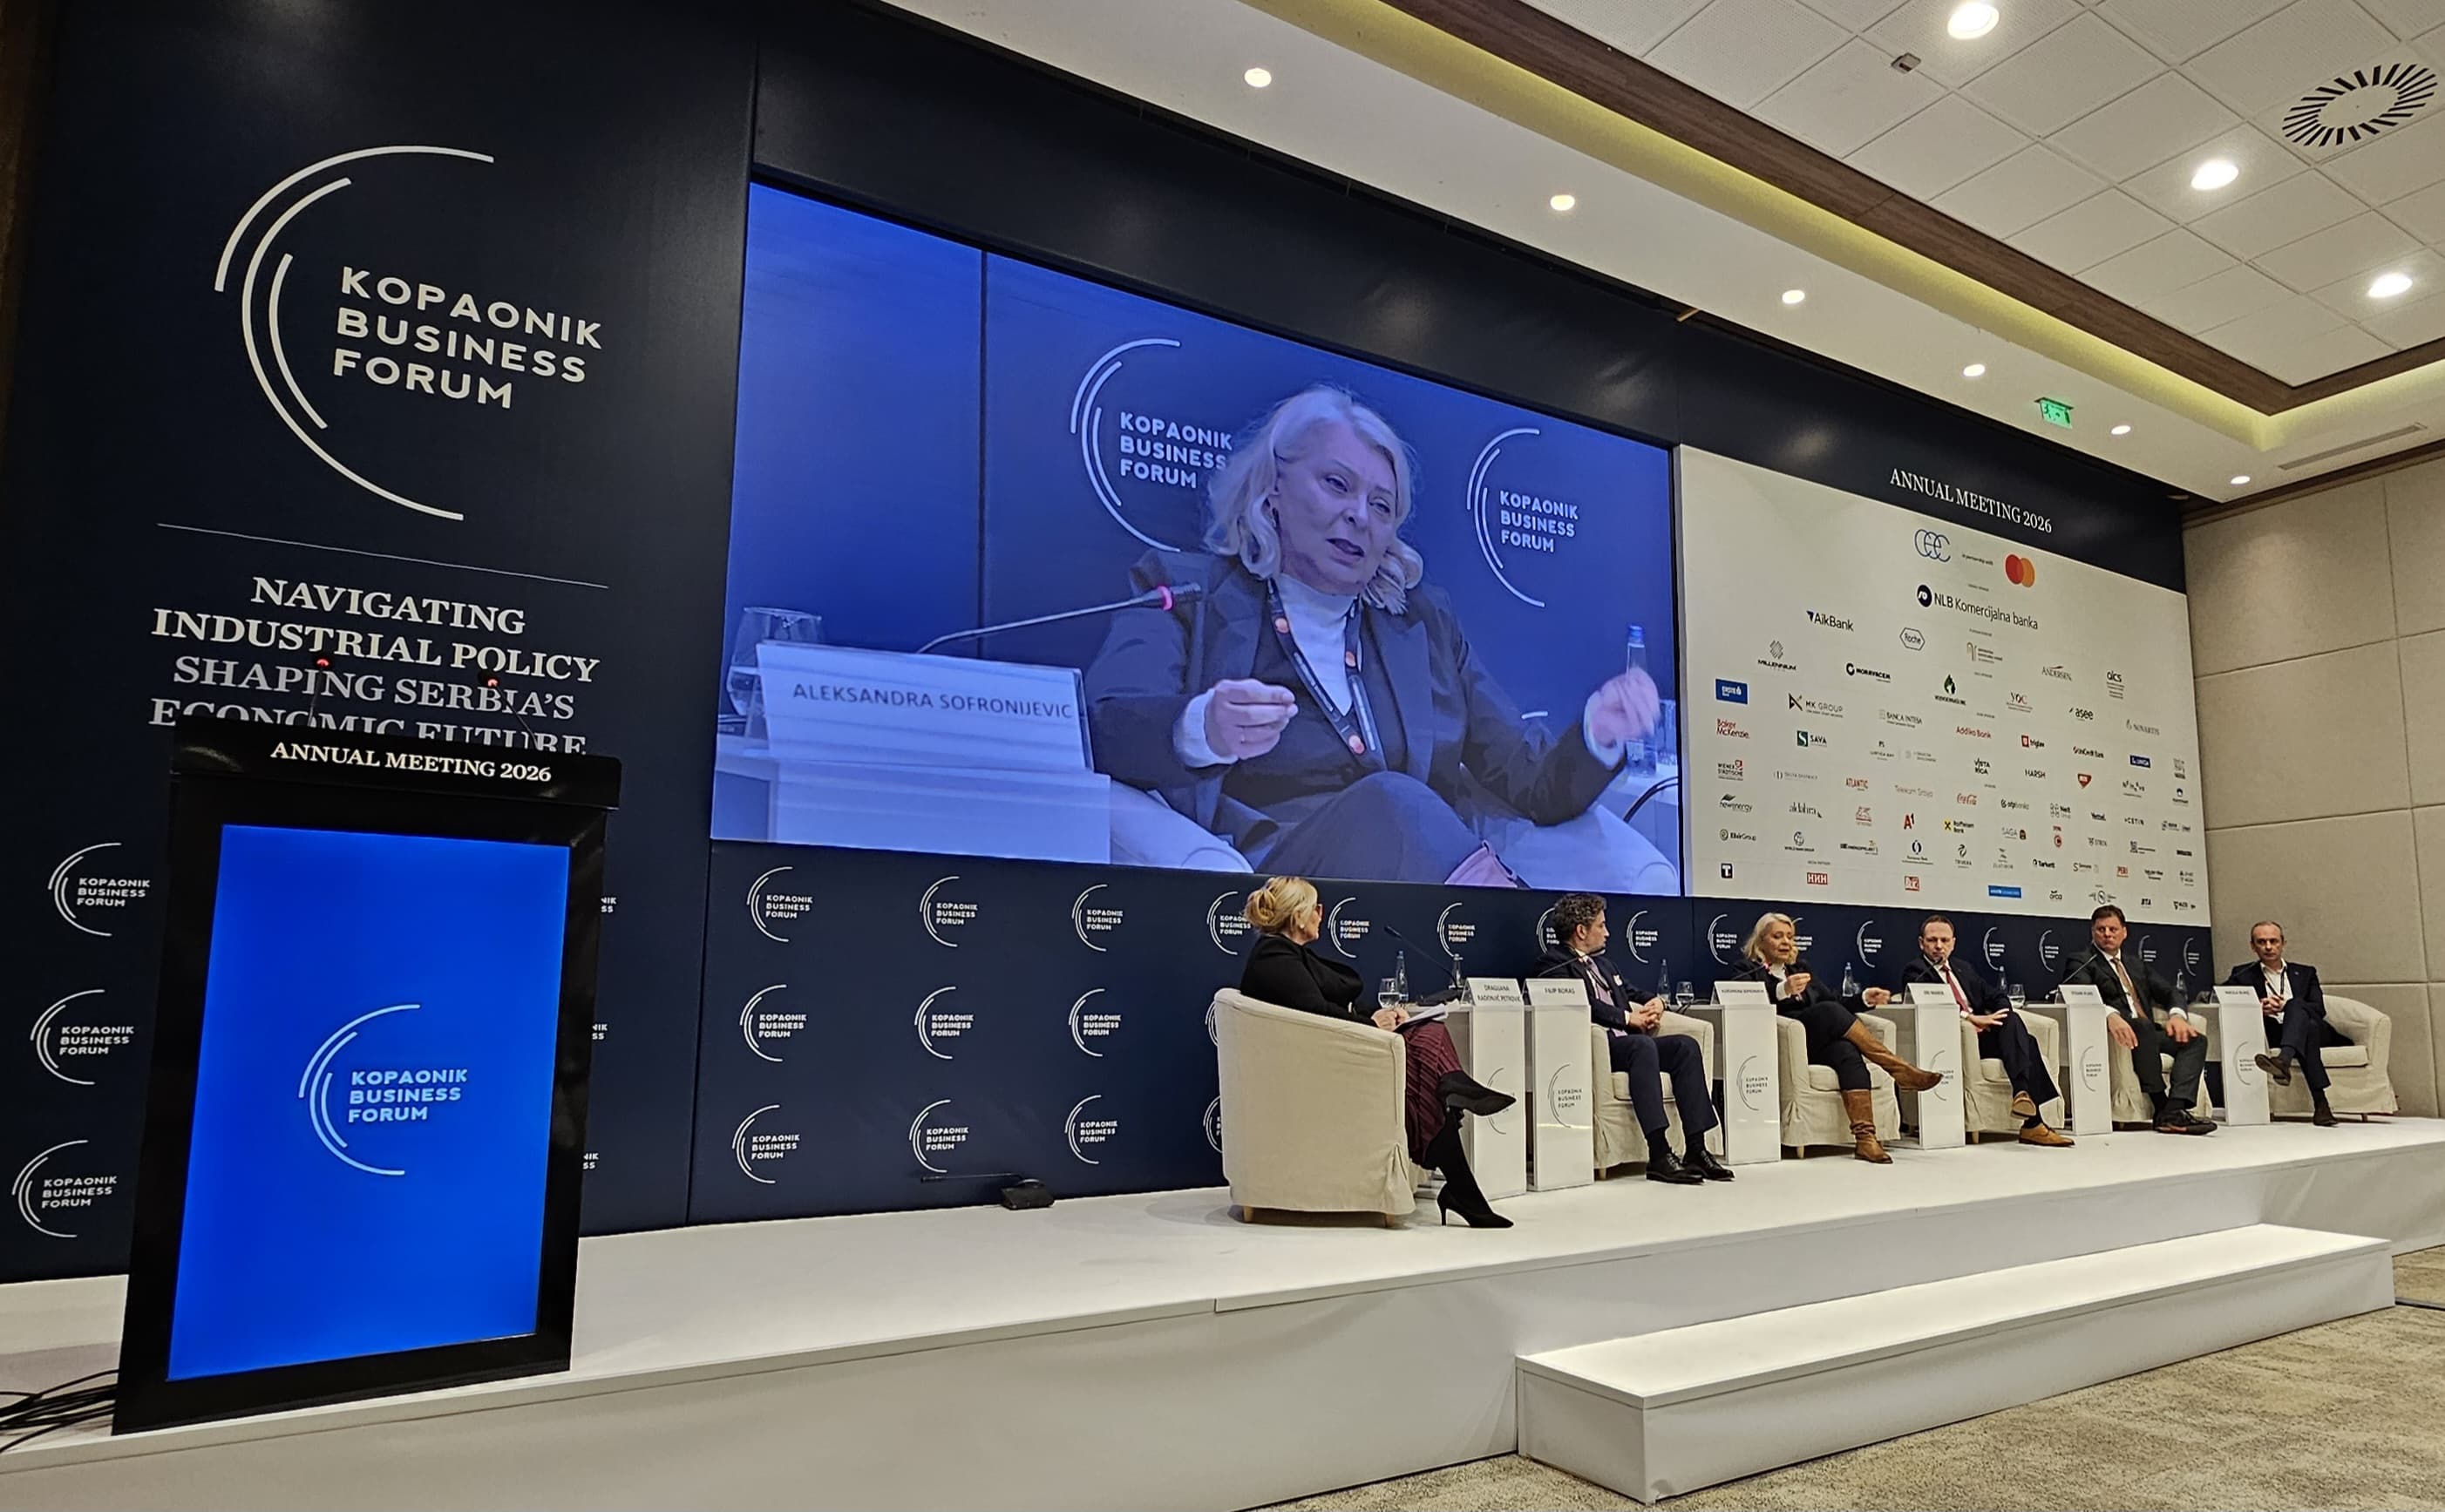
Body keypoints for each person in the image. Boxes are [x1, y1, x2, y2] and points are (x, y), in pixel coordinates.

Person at [1084, 384, 1672, 889]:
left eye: (1381, 505)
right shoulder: (1187, 592)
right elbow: (1106, 728)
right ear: (1273, 487)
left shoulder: (1424, 624)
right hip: (1278, 884)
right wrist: (1202, 729)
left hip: (1412, 897)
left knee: (1400, 802)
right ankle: (1520, 953)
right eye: (1336, 484)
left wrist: (1598, 733)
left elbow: (1529, 782)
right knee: (1392, 800)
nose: (1359, 515)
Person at [1235, 876, 1516, 1228]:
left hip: (1338, 1051)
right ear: (1298, 916)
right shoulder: (1274, 957)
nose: (1322, 914)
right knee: (1427, 1071)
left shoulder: (1290, 953)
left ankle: (1456, 1122)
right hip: (1323, 1066)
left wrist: (1380, 1016)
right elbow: (1316, 1014)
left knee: (1428, 1037)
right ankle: (1456, 1106)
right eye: (1316, 907)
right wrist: (1371, 1024)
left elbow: (1332, 1004)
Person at [1535, 892, 1729, 1184]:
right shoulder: (1552, 966)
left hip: (1631, 1045)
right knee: (1641, 1045)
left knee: (1685, 1047)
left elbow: (1632, 992)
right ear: (1581, 931)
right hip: (1599, 1046)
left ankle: (1697, 1148)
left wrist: (1657, 1003)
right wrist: (1628, 1019)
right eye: (1601, 926)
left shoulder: (1604, 965)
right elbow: (1582, 1004)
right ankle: (1659, 1153)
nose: (1607, 933)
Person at [1739, 912, 1941, 1164]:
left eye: (1790, 937)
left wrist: (1864, 998)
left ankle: (1866, 1139)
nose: (1786, 942)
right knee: (1827, 1011)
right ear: (1761, 940)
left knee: (1847, 1051)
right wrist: (1782, 990)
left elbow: (1834, 1002)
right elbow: (1748, 1005)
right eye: (1777, 936)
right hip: (1787, 1042)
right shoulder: (1746, 969)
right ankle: (1897, 1067)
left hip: (1817, 1040)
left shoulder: (1800, 968)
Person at [1899, 915, 2072, 1147]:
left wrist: (1998, 1015)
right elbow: (1929, 1007)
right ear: (1922, 943)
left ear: (1953, 943)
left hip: (1983, 1037)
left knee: (2012, 1020)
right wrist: (1970, 1018)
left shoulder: (1963, 968)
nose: (1939, 946)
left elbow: (1996, 995)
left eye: (1944, 940)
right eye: (1932, 940)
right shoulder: (1915, 971)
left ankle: (2022, 1096)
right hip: (1956, 1040)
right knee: (2028, 1043)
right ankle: (2033, 1123)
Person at [2065, 905, 2212, 1136]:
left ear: (2124, 932)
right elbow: (2080, 995)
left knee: (2196, 1041)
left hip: (2148, 1033)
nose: (2107, 934)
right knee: (2142, 1026)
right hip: (2120, 1032)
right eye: (2101, 929)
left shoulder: (2135, 964)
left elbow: (2170, 992)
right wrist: (2109, 1015)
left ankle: (2173, 1109)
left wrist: (2177, 1015)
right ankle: (2160, 1103)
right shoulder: (2082, 962)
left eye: (2113, 929)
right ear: (2093, 932)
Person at [2225, 921, 2347, 1128]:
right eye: (2261, 942)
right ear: (2253, 946)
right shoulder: (2242, 974)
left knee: (2300, 1010)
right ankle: (2321, 1104)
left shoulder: (2306, 973)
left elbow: (2319, 1009)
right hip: (2275, 1031)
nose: (2268, 947)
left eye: (2273, 941)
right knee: (2307, 1029)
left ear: (2283, 943)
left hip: (2318, 1030)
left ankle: (2284, 1060)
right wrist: (2256, 1007)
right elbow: (2221, 997)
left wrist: (2286, 1006)